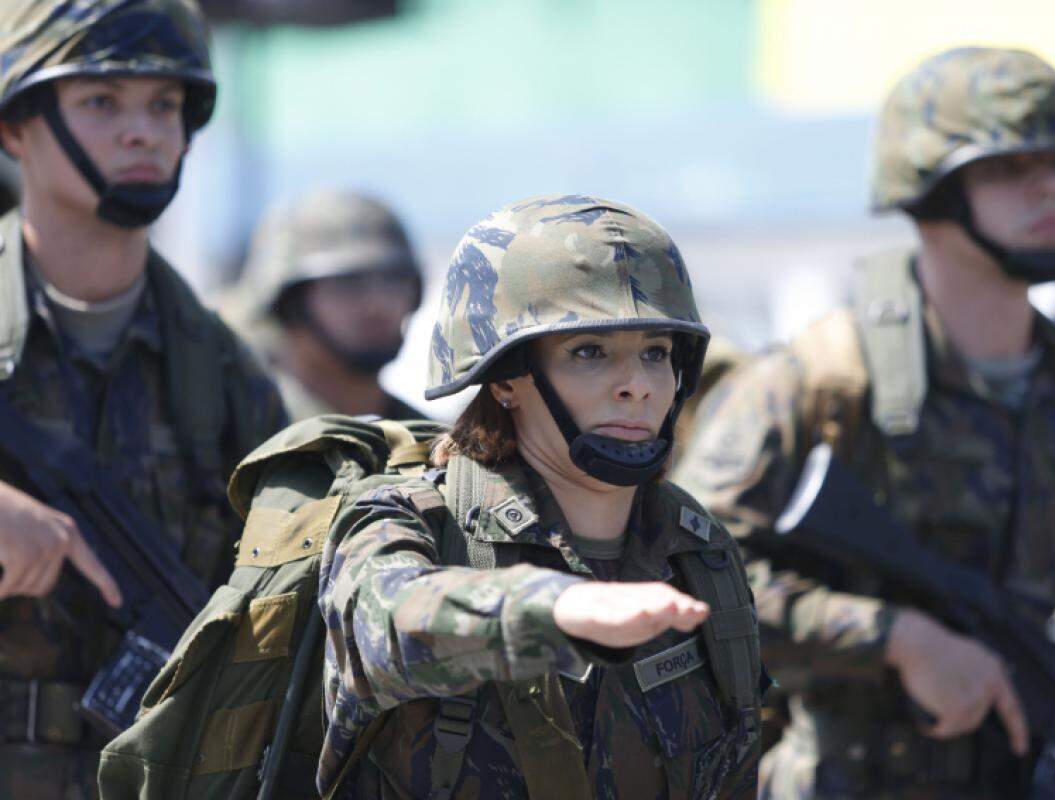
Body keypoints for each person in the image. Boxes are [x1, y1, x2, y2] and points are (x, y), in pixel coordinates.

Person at [673, 47, 1055, 799]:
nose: (1050, 187)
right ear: (928, 188)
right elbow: (677, 579)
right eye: (1008, 168)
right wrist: (896, 640)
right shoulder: (819, 382)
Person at [313, 195, 764, 798]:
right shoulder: (408, 521)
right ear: (505, 379)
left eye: (656, 352)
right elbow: (385, 626)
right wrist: (551, 610)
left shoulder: (697, 550)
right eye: (590, 352)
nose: (637, 385)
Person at [0, 1, 286, 796]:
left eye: (165, 104)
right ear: (15, 126)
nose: (144, 132)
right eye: (102, 101)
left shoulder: (224, 370)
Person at [223, 188, 426, 421]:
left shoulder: (432, 444)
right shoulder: (239, 435)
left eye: (395, 280)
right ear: (290, 305)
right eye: (347, 284)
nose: (378, 303)